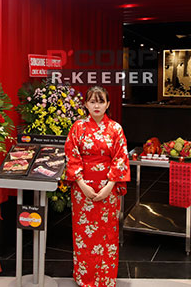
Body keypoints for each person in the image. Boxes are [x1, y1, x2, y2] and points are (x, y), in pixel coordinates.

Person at [64, 86, 130, 287]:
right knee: (84, 234)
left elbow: (120, 159)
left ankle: (105, 278)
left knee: (107, 233)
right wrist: (81, 184)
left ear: (108, 104)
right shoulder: (78, 127)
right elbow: (72, 156)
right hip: (82, 188)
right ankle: (84, 277)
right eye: (92, 101)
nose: (96, 106)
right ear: (85, 104)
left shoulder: (116, 129)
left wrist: (110, 186)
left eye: (101, 101)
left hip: (108, 188)